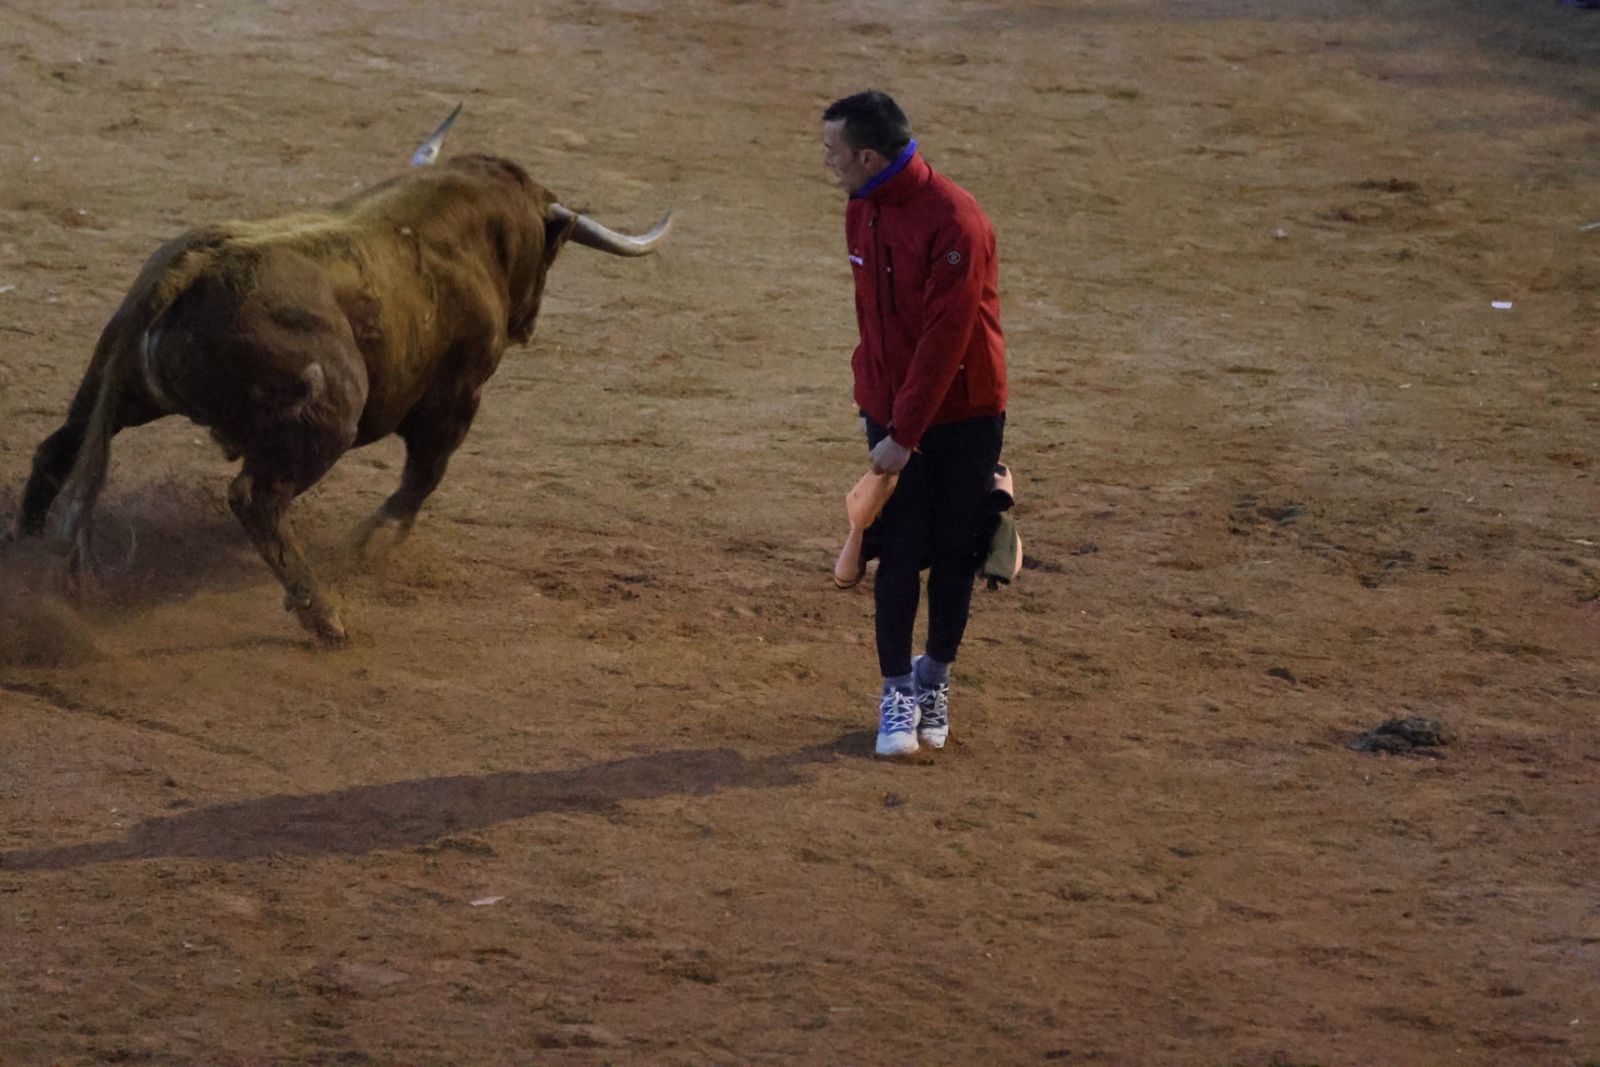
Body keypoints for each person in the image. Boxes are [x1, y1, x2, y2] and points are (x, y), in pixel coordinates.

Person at [821, 90, 1008, 757]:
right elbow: (874, 318)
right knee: (899, 550)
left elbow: (945, 338)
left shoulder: (957, 223)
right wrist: (873, 397)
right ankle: (897, 689)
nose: (827, 162)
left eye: (834, 151)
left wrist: (903, 435)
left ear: (868, 156)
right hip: (891, 408)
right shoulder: (860, 210)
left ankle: (935, 677)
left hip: (963, 414)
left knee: (955, 552)